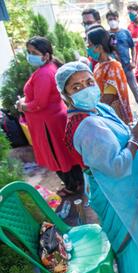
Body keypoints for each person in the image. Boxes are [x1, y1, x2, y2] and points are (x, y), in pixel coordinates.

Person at [56, 61, 138, 273]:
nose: (86, 89)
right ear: (66, 95)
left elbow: (120, 138)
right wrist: (135, 138)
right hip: (117, 196)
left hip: (132, 188)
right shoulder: (87, 126)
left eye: (89, 82)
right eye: (76, 87)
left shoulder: (98, 109)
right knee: (133, 244)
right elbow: (117, 167)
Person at [15, 36, 83, 197]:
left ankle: (72, 185)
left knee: (57, 155)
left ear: (45, 55)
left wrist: (22, 106)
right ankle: (76, 182)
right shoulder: (49, 68)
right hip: (52, 119)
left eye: (34, 52)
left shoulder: (44, 73)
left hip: (48, 123)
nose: (30, 55)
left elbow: (40, 103)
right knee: (64, 154)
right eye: (29, 52)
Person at [86, 28, 133, 124]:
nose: (87, 48)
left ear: (99, 48)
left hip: (113, 114)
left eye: (89, 45)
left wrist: (95, 111)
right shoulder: (99, 65)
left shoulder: (112, 67)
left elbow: (109, 97)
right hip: (104, 112)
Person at [106, 10, 138, 114]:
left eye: (114, 18)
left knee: (135, 89)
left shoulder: (125, 32)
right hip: (114, 69)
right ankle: (123, 113)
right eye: (110, 19)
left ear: (118, 19)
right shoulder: (106, 35)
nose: (112, 21)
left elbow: (133, 47)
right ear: (107, 21)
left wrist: (133, 61)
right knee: (119, 92)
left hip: (127, 66)